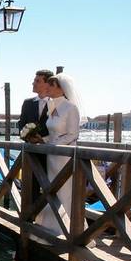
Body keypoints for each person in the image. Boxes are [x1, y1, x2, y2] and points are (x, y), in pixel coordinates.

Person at [35, 73, 81, 236]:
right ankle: (49, 225)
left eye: (51, 85)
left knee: (64, 190)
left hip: (63, 157)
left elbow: (72, 135)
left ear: (62, 89)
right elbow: (53, 133)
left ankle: (65, 228)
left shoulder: (71, 108)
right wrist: (43, 140)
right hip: (52, 156)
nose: (47, 87)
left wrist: (53, 145)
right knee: (50, 189)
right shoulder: (52, 106)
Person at [17, 69, 53, 135]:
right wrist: (27, 137)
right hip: (30, 144)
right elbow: (21, 124)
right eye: (34, 80)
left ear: (47, 84)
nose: (33, 83)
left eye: (37, 81)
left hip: (50, 144)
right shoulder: (27, 103)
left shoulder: (55, 103)